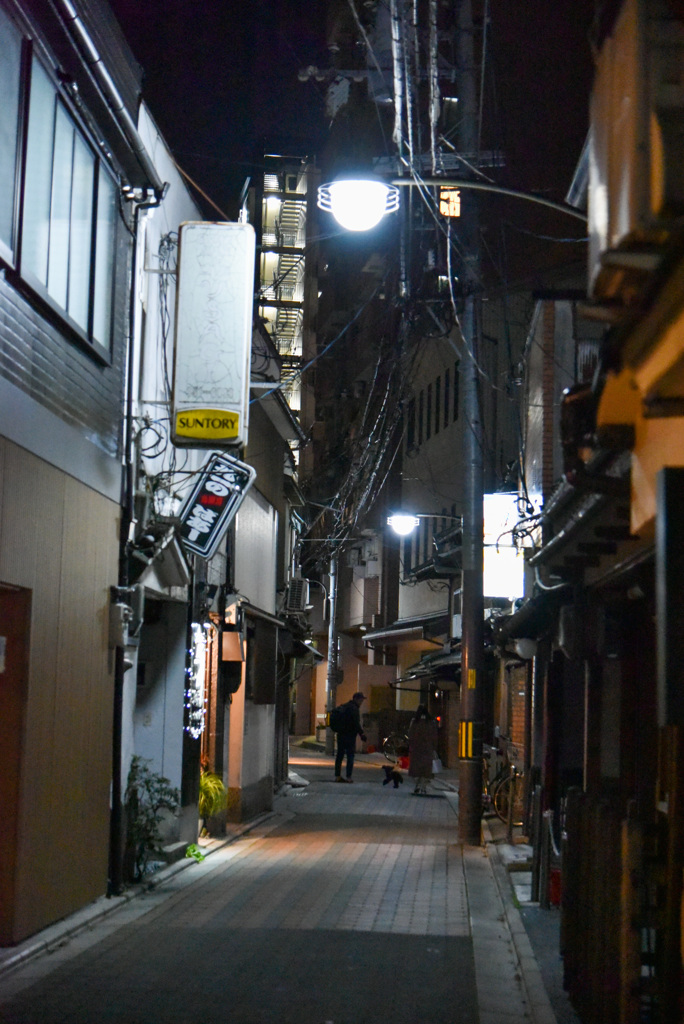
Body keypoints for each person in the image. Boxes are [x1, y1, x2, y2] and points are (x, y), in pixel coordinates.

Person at [334, 692, 367, 783]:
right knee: (350, 756)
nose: (361, 702)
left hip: (341, 734)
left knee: (340, 755)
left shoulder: (344, 706)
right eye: (361, 700)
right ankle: (348, 777)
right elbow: (356, 723)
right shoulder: (354, 709)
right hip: (350, 736)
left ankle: (337, 776)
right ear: (356, 699)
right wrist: (361, 734)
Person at [408, 704, 438, 794]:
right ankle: (423, 787)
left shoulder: (414, 722)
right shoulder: (431, 722)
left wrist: (410, 746)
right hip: (427, 749)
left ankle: (417, 785)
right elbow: (434, 736)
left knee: (416, 770)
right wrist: (434, 748)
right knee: (426, 770)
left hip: (416, 749)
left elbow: (410, 735)